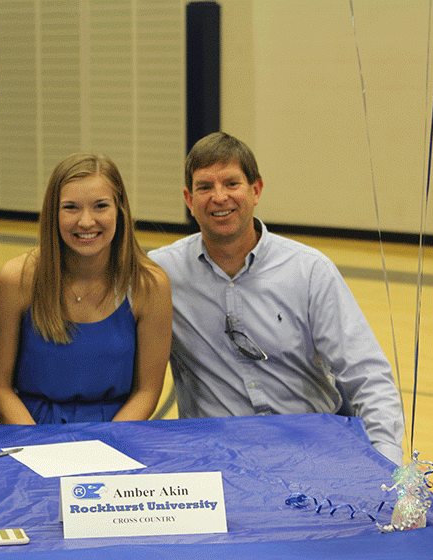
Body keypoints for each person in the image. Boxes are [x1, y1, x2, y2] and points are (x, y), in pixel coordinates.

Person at [147, 132, 404, 465]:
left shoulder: (309, 270)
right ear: (188, 199)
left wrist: (386, 463)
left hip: (313, 449)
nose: (219, 197)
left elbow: (367, 375)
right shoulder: (160, 275)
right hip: (216, 456)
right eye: (205, 187)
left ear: (256, 190)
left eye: (231, 184)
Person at [0, 153, 172, 425]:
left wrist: (106, 444)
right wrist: (37, 444)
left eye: (100, 206)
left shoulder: (149, 285)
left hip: (117, 432)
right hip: (30, 431)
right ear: (53, 213)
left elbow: (147, 392)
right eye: (71, 207)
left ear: (120, 209)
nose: (86, 221)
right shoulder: (17, 280)